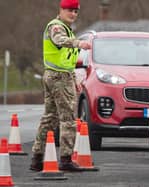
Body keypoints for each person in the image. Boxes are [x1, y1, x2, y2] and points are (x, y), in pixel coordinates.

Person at [30, 0, 91, 172]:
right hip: (58, 77)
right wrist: (79, 43)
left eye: (75, 11)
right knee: (68, 119)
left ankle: (36, 158)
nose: (73, 14)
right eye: (70, 10)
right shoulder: (56, 27)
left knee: (49, 118)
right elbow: (59, 40)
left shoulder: (66, 29)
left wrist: (74, 79)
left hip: (56, 75)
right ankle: (65, 159)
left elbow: (66, 60)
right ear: (61, 10)